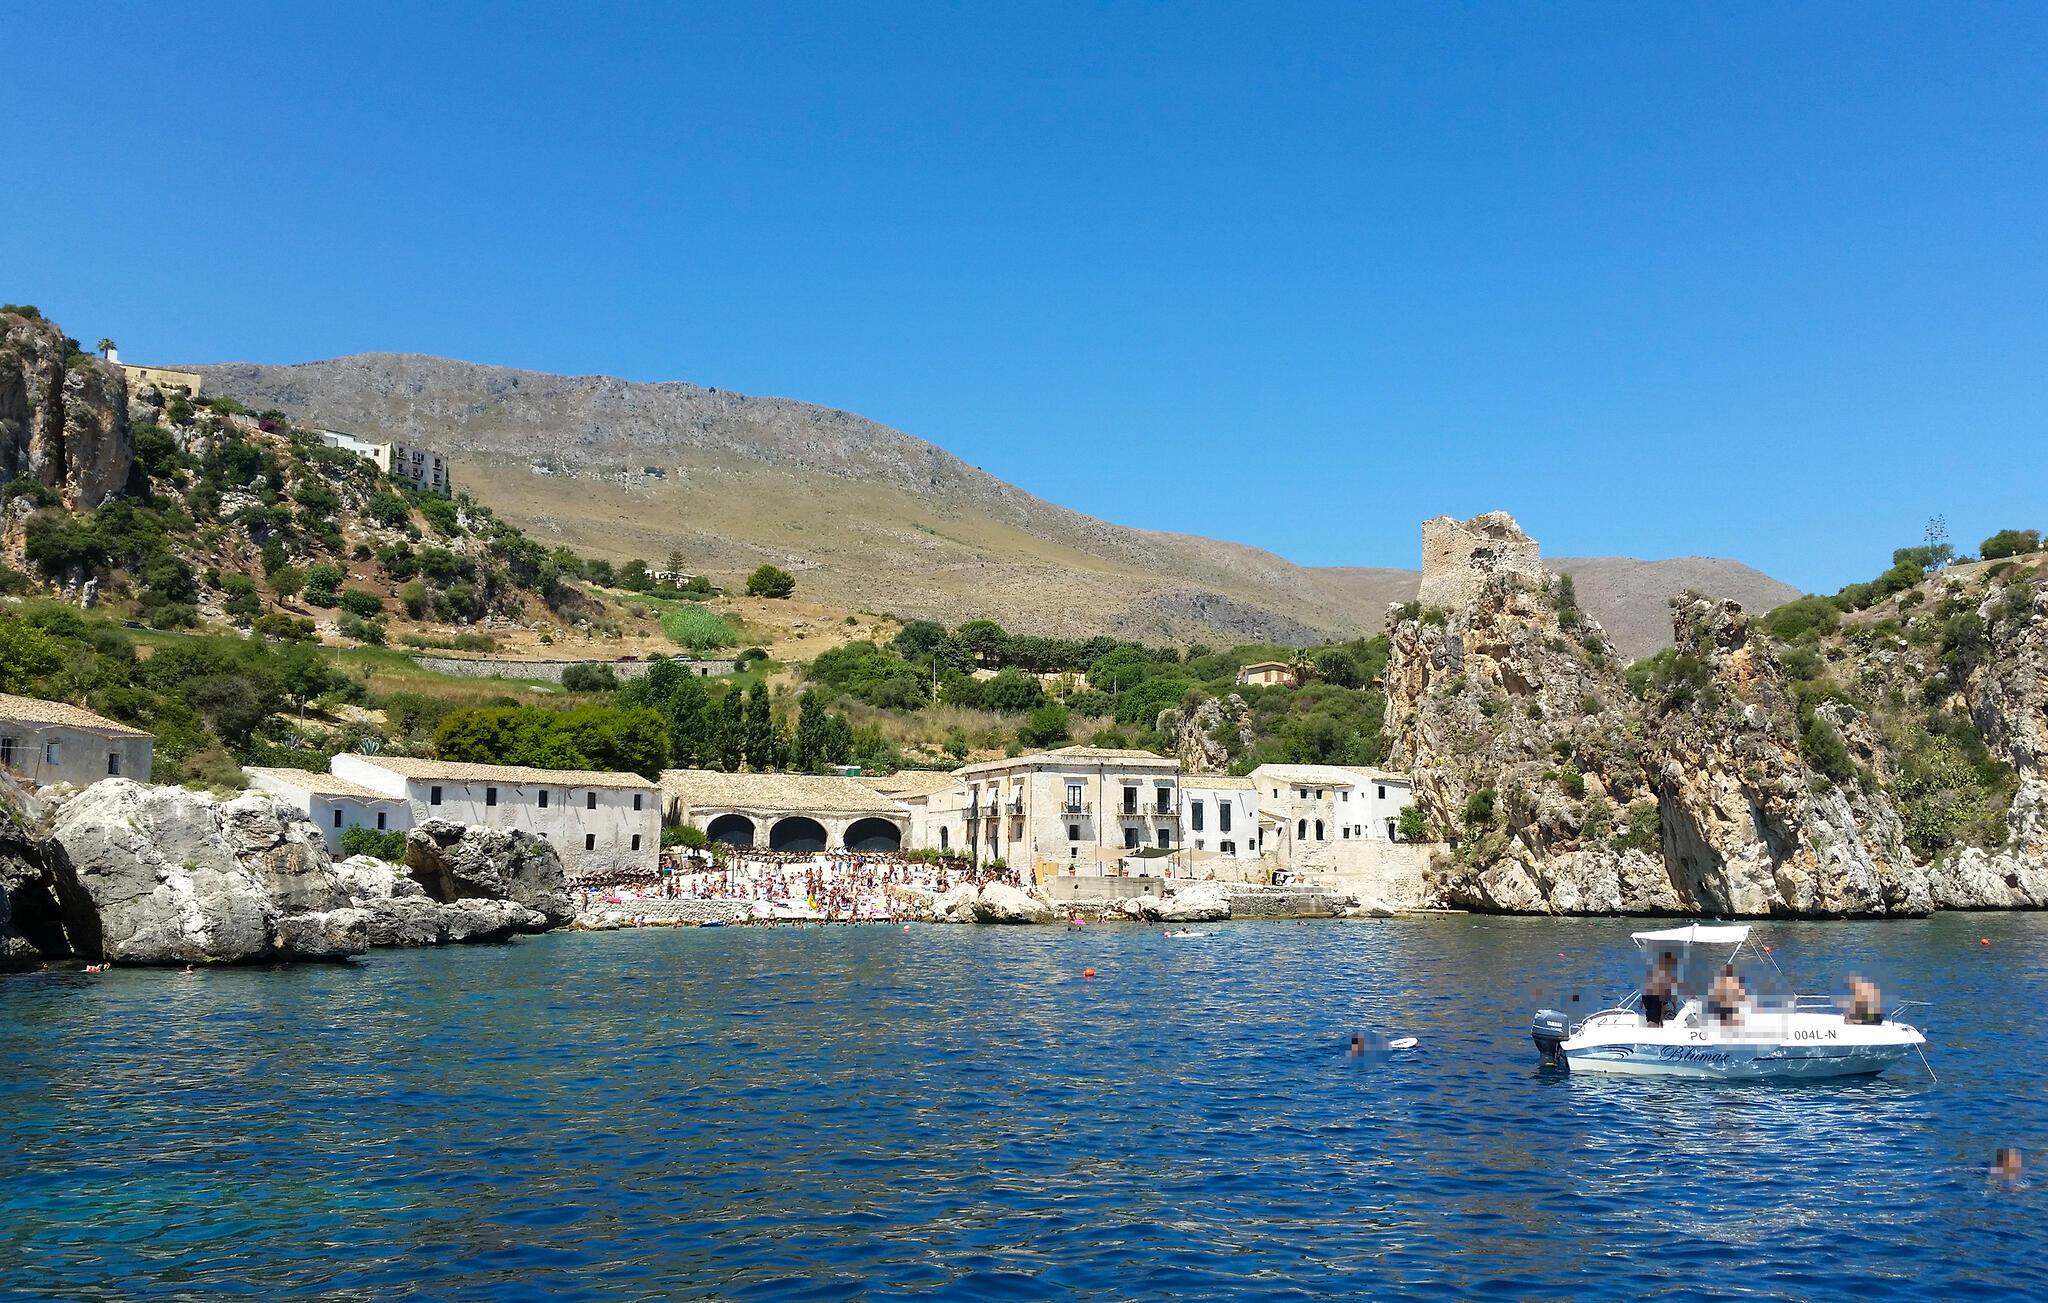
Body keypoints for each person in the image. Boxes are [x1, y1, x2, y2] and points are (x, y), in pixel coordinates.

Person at [1643, 951, 1678, 1026]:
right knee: (1654, 1019)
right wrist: (1675, 1008)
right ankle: (1655, 1026)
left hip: (1651, 999)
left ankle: (1655, 1022)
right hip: (1655, 999)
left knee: (1653, 1016)